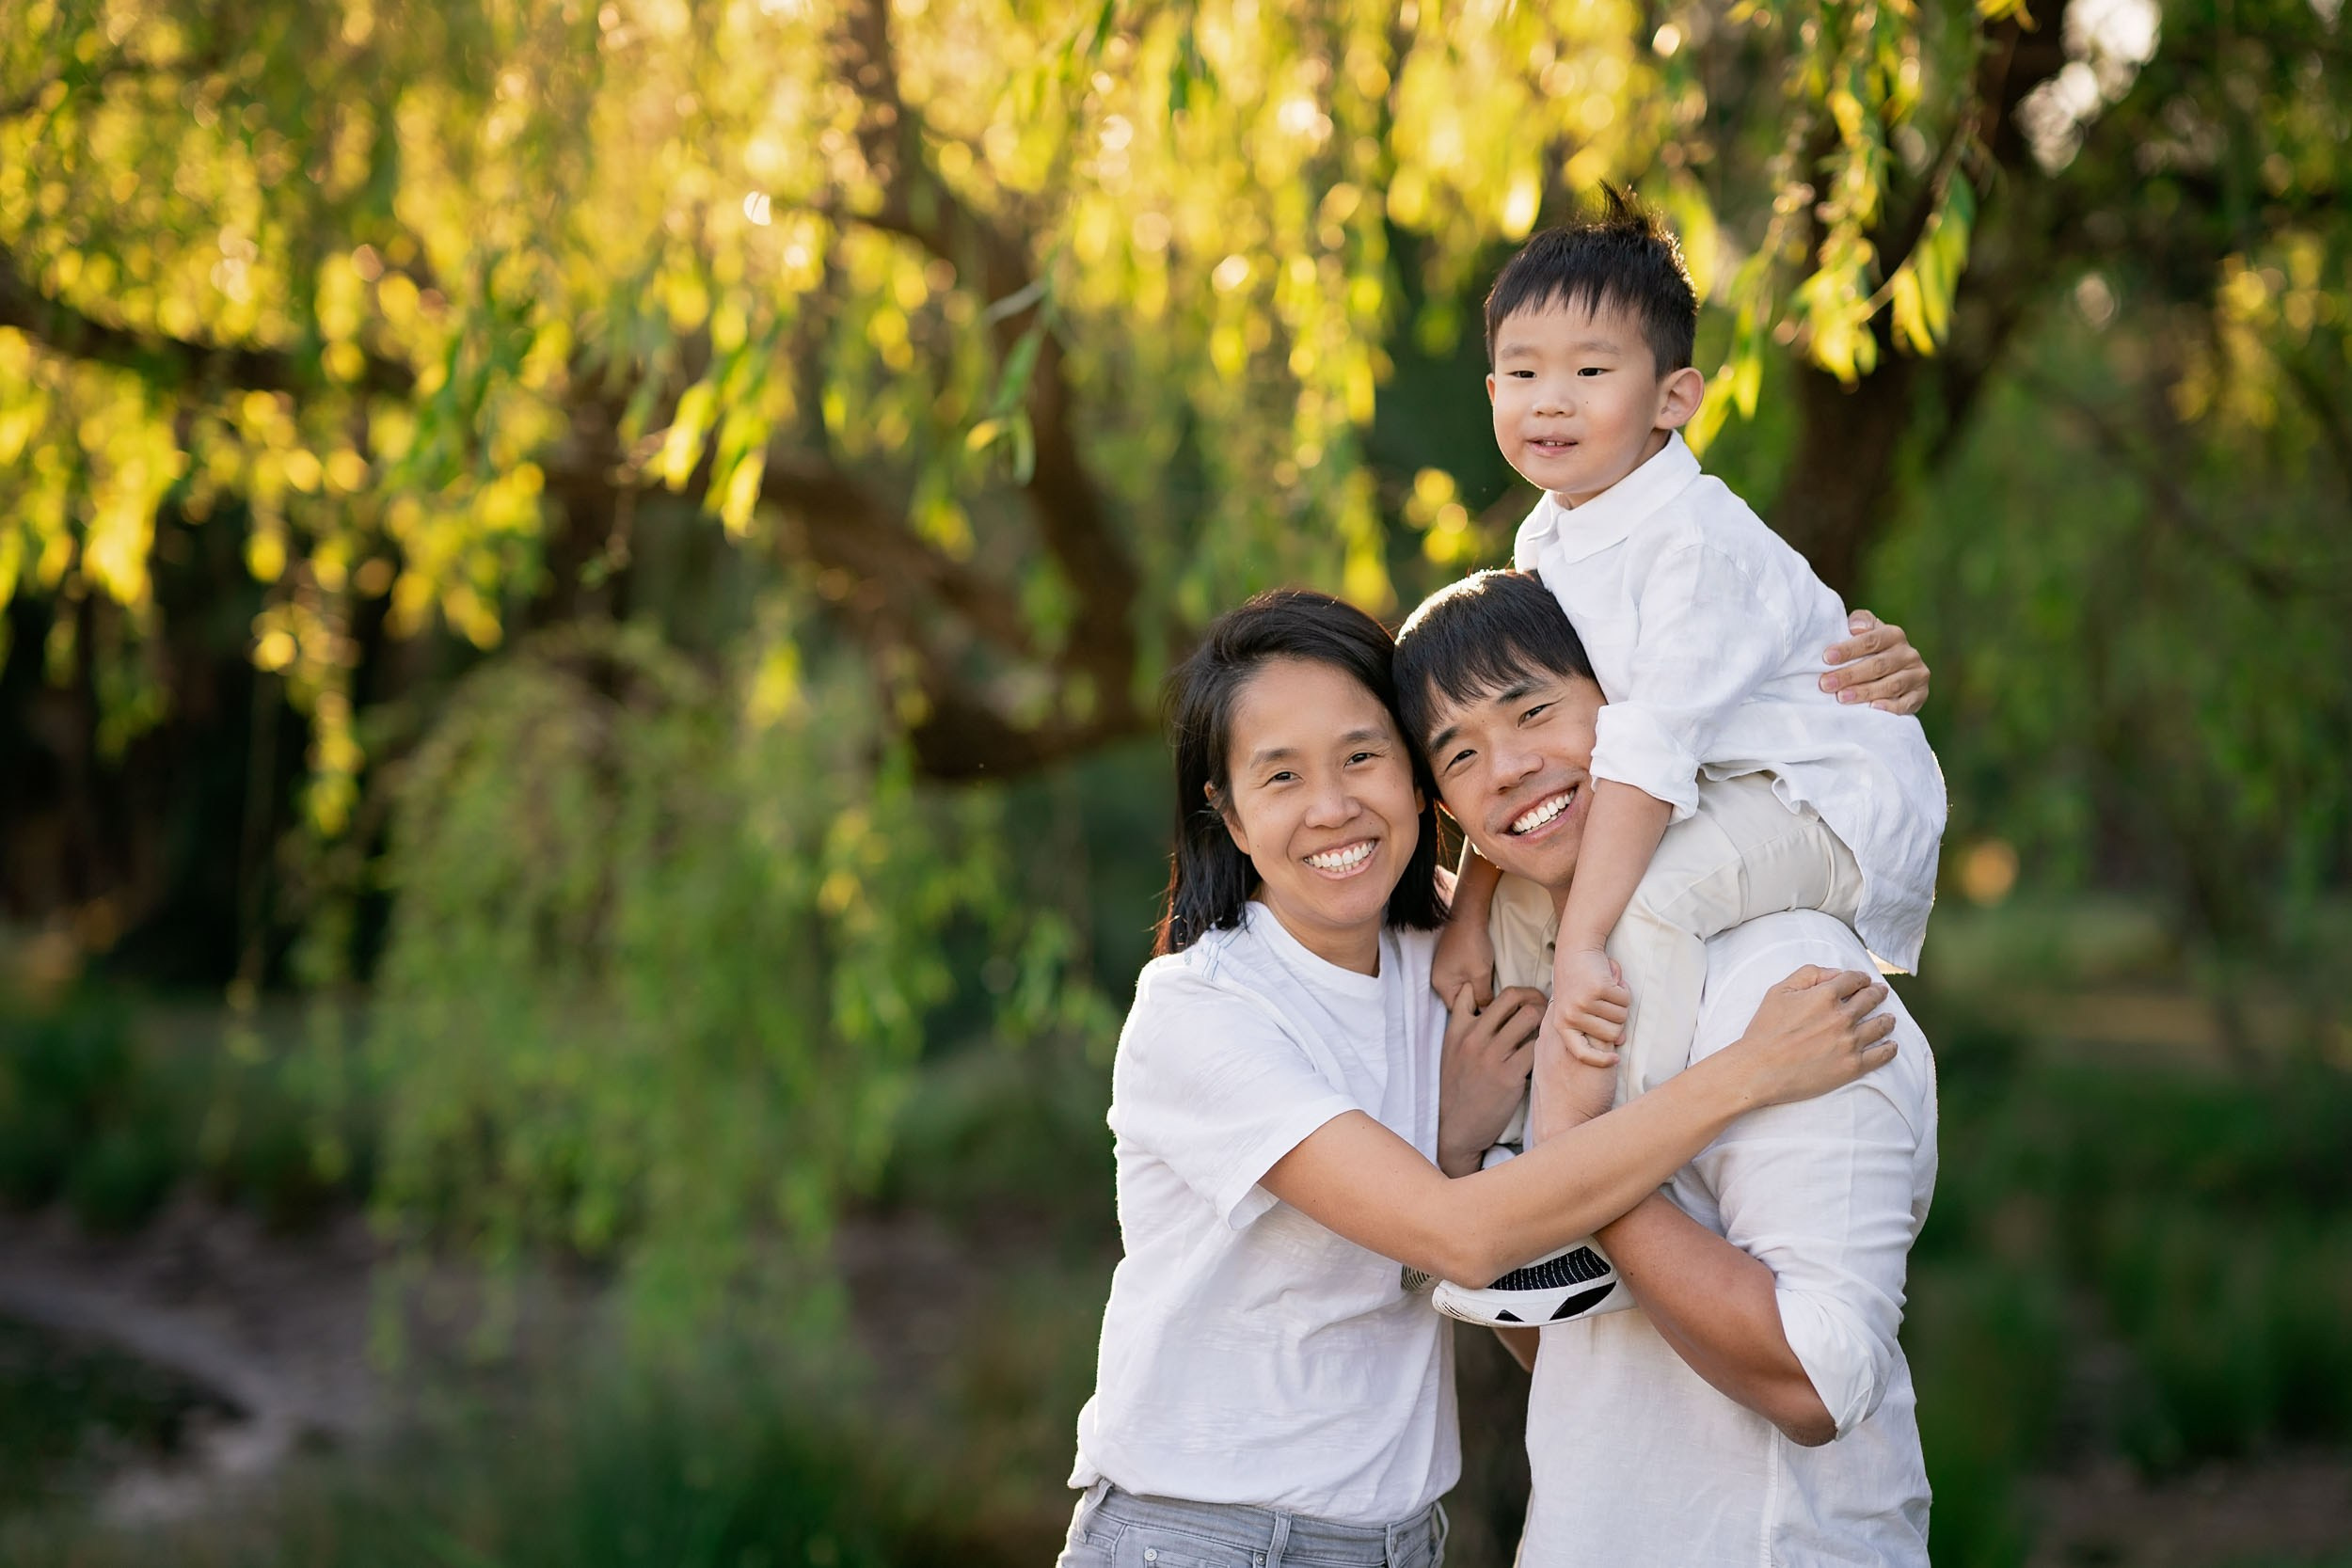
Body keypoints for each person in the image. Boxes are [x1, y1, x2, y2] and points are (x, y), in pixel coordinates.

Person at [1057, 587, 1916, 1568]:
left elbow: (1550, 743)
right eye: (1281, 775)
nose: (1332, 804)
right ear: (1232, 817)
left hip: (1396, 1538)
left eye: (1362, 756)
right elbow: (1456, 1234)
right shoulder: (1202, 1011)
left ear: (1415, 778)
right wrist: (1745, 1073)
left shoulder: (1451, 954)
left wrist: (1842, 673)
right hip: (1201, 1533)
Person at [1427, 189, 1948, 1326]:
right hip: (1714, 786)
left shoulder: (1692, 543)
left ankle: (1576, 1194)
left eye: (1589, 372)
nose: (1548, 401)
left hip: (1820, 799)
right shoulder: (1546, 535)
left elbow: (1646, 753)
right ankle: (1520, 1149)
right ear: (1491, 394)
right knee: (1531, 909)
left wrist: (1581, 947)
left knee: (1637, 911)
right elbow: (1574, 743)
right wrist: (1474, 909)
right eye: (1521, 373)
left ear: (1674, 397)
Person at [1393, 568, 1938, 1565]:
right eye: (1460, 753)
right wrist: (1471, 1162)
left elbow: (1811, 1383)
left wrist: (1570, 1169)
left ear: (1633, 703)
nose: (1507, 766)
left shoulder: (1790, 986)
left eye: (1533, 710)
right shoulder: (1532, 980)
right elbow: (1566, 1344)